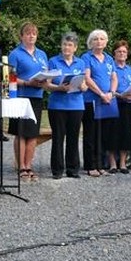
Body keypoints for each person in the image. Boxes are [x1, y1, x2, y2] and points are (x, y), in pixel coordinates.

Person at [7, 22, 50, 182]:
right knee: (21, 133)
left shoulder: (42, 54)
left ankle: (29, 165)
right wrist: (26, 82)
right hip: (20, 97)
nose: (31, 36)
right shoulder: (15, 54)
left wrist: (47, 80)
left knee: (32, 134)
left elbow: (45, 73)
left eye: (34, 33)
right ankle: (21, 167)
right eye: (28, 33)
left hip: (37, 97)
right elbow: (9, 77)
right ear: (22, 36)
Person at [47, 32, 87, 179]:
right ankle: (57, 170)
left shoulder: (81, 63)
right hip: (57, 105)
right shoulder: (53, 61)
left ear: (75, 48)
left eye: (70, 45)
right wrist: (59, 88)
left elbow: (84, 83)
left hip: (76, 105)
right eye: (64, 44)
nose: (66, 47)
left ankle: (72, 169)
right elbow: (47, 84)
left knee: (73, 137)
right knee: (58, 138)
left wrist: (83, 87)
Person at [81, 29, 118, 177]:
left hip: (107, 101)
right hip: (92, 100)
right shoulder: (86, 57)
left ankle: (101, 164)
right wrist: (101, 94)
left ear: (106, 41)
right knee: (91, 134)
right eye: (96, 39)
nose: (99, 41)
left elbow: (114, 78)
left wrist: (111, 93)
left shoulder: (109, 59)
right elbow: (87, 79)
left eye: (102, 39)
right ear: (91, 42)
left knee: (103, 134)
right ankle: (90, 165)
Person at [111, 40, 131, 173]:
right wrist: (121, 95)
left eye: (124, 52)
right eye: (119, 51)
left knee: (126, 133)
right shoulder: (111, 68)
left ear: (127, 54)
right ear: (114, 54)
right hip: (114, 103)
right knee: (113, 132)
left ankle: (122, 162)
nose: (122, 54)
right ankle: (112, 163)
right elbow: (108, 87)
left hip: (129, 105)